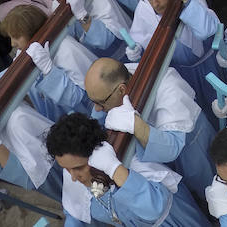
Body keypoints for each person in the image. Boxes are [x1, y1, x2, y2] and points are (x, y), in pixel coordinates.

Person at [45, 112, 209, 227]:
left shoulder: (133, 165)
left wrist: (114, 169)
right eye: (66, 169)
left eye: (78, 168)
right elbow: (75, 207)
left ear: (96, 156)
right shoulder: (77, 173)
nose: (73, 177)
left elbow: (155, 209)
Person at [85, 56, 216, 199]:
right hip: (156, 148)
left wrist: (135, 124)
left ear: (122, 90)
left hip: (192, 145)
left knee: (207, 186)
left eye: (100, 103)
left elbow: (171, 148)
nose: (97, 109)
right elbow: (97, 117)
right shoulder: (121, 77)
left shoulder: (170, 88)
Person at [130, 0, 221, 107]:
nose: (155, 3)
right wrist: (135, 51)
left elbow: (206, 30)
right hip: (179, 75)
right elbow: (139, 40)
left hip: (208, 69)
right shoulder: (143, 7)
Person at [0, 4, 97, 120]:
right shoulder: (29, 52)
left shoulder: (67, 50)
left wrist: (50, 72)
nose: (12, 44)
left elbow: (79, 97)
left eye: (16, 37)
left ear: (33, 32)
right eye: (10, 37)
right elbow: (13, 71)